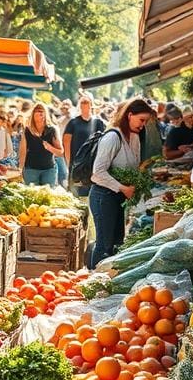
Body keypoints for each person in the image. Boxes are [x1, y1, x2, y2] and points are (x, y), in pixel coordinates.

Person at [89, 99, 154, 266]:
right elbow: (97, 173)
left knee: (117, 243)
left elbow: (134, 167)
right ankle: (92, 281)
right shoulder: (112, 137)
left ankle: (106, 282)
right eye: (141, 120)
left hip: (118, 198)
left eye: (145, 121)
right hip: (103, 196)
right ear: (129, 115)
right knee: (104, 245)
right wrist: (122, 187)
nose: (143, 125)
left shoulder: (134, 138)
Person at [63, 94, 105, 195]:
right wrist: (69, 162)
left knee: (92, 194)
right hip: (77, 164)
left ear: (91, 105)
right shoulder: (73, 123)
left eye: (87, 102)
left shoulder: (98, 122)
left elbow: (104, 142)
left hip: (93, 164)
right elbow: (66, 143)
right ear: (79, 105)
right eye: (82, 102)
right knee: (75, 195)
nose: (85, 104)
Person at [19, 104, 63, 186]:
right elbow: (23, 151)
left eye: (42, 111)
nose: (41, 113)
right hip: (31, 169)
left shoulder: (52, 130)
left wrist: (50, 148)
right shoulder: (27, 130)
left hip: (49, 170)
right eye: (38, 111)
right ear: (33, 114)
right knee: (31, 196)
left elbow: (60, 152)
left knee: (48, 196)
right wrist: (20, 169)